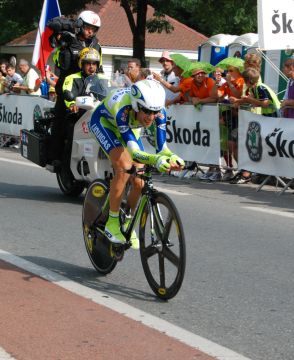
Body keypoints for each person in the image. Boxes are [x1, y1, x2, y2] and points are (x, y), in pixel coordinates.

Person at [89, 79, 185, 249]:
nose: (151, 117)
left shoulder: (158, 111)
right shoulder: (123, 110)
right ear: (135, 106)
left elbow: (162, 147)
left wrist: (172, 157)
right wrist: (156, 160)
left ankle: (127, 221)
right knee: (125, 167)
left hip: (129, 127)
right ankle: (112, 222)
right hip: (105, 124)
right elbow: (134, 153)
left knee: (140, 181)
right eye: (147, 111)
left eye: (155, 112)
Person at [47, 10, 102, 156]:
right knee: (60, 121)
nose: (91, 31)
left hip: (88, 90)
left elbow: (100, 70)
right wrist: (71, 25)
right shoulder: (68, 39)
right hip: (68, 87)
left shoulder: (96, 45)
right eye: (88, 27)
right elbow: (52, 24)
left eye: (94, 29)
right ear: (81, 25)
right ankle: (56, 156)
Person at [48, 48, 102, 165]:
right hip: (78, 115)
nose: (91, 66)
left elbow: (110, 93)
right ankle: (67, 167)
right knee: (71, 136)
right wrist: (72, 104)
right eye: (88, 63)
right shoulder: (72, 78)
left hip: (97, 116)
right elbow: (67, 92)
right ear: (82, 64)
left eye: (94, 63)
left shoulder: (102, 79)